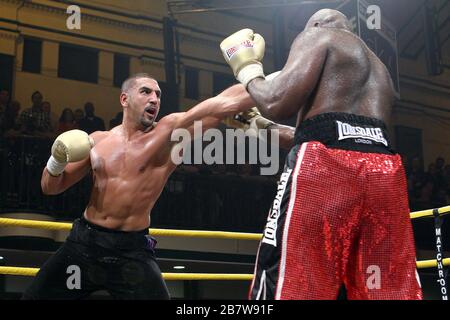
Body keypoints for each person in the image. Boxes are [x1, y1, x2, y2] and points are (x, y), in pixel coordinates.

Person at [220, 9, 422, 300]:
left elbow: (275, 101)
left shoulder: (318, 34)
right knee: (385, 289)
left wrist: (247, 68)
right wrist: (256, 126)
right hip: (385, 173)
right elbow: (340, 135)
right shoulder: (382, 71)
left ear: (316, 24)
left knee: (297, 284)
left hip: (325, 170)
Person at [22, 73, 254, 300]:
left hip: (131, 252)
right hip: (84, 246)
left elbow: (218, 106)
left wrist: (250, 75)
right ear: (125, 99)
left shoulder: (168, 135)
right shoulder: (97, 141)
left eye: (158, 94)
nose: (155, 98)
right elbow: (50, 187)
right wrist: (57, 159)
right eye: (146, 91)